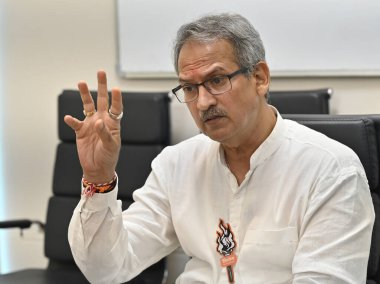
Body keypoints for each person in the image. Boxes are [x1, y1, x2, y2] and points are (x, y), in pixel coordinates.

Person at [67, 13, 374, 283]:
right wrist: (98, 178)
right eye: (189, 88)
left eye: (217, 80)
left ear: (260, 77)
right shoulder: (177, 165)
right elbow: (107, 270)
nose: (202, 102)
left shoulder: (332, 170)